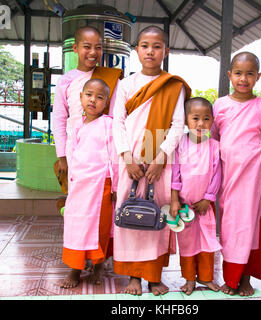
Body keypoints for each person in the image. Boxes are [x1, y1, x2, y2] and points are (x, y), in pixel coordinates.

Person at [112, 25, 191, 296]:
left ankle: (154, 276)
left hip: (159, 155)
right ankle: (134, 275)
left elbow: (178, 125)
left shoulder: (173, 85)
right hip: (131, 158)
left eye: (157, 46)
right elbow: (117, 123)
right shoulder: (126, 84)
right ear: (137, 50)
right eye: (145, 45)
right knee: (132, 209)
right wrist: (126, 156)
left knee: (156, 213)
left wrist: (160, 158)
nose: (150, 51)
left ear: (165, 51)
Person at [211, 52, 261, 296]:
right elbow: (215, 139)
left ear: (257, 77)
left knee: (252, 226)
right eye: (238, 73)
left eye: (250, 74)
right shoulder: (220, 105)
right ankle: (231, 277)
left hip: (253, 180)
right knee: (230, 227)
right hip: (229, 177)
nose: (243, 78)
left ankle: (246, 278)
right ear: (229, 75)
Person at [60, 78, 118, 289]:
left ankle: (99, 264)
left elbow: (115, 157)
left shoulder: (109, 124)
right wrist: (70, 181)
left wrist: (116, 186)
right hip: (78, 186)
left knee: (99, 227)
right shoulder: (75, 125)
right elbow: (70, 152)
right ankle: (75, 268)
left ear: (107, 102)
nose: (93, 100)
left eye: (100, 97)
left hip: (101, 184)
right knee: (76, 226)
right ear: (81, 98)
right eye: (89, 95)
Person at [52, 25, 122, 198]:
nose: (93, 52)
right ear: (75, 48)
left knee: (100, 199)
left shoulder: (111, 79)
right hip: (74, 149)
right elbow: (59, 120)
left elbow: (115, 118)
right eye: (87, 46)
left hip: (101, 150)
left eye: (98, 47)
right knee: (76, 197)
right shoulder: (65, 81)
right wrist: (62, 157)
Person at [170, 97, 222, 295]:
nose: (201, 124)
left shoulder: (215, 146)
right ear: (185, 120)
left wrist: (208, 198)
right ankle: (189, 279)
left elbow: (217, 174)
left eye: (206, 119)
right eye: (195, 118)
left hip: (205, 206)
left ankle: (206, 278)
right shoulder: (180, 143)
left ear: (212, 121)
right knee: (187, 244)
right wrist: (175, 199)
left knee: (207, 243)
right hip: (184, 205)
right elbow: (175, 174)